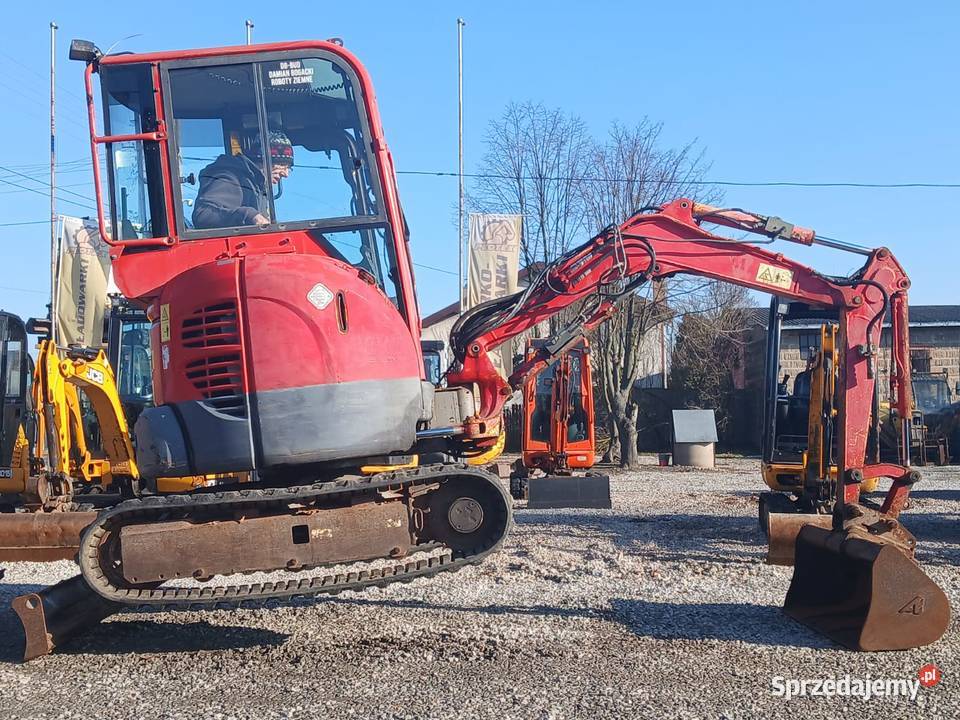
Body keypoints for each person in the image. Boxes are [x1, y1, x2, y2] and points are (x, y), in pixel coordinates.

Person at [192, 131, 294, 230]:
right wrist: (250, 216)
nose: (286, 174)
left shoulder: (257, 185)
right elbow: (203, 215)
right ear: (263, 159)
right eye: (281, 165)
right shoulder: (230, 176)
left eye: (289, 168)